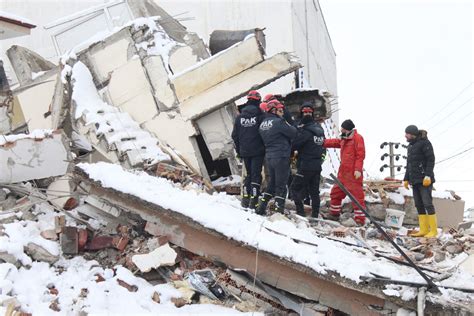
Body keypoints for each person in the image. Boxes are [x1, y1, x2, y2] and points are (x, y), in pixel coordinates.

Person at [257, 100, 297, 215]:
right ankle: (278, 211)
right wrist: (289, 122)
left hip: (270, 157)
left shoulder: (263, 124)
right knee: (281, 185)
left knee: (272, 184)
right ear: (273, 110)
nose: (282, 112)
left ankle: (261, 207)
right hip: (281, 156)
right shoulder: (279, 122)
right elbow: (293, 132)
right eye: (280, 110)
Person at [324, 119, 366, 225]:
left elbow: (360, 155)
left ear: (346, 128)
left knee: (357, 196)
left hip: (353, 174)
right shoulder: (344, 138)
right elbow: (335, 142)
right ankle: (334, 214)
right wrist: (323, 142)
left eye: (342, 128)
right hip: (342, 173)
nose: (340, 129)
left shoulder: (357, 138)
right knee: (336, 193)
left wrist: (358, 170)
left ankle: (360, 220)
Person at [290, 102, 325, 217]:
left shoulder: (305, 131)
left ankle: (300, 212)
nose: (306, 114)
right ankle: (315, 215)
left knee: (294, 189)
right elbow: (323, 146)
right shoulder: (320, 130)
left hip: (305, 165)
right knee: (314, 192)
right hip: (317, 165)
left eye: (307, 112)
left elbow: (295, 145)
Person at [231, 90, 265, 209]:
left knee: (249, 175)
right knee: (256, 175)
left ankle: (245, 199)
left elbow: (234, 135)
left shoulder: (240, 117)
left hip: (245, 151)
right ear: (258, 101)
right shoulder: (260, 116)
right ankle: (253, 202)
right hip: (258, 151)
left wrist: (240, 150)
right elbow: (264, 132)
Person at [403, 125, 438, 237]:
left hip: (424, 180)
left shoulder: (425, 143)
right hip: (415, 180)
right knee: (418, 204)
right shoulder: (410, 147)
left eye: (407, 133)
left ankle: (433, 230)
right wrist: (406, 179)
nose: (405, 136)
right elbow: (409, 165)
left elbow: (431, 160)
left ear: (412, 133)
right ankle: (423, 229)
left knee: (427, 203)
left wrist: (428, 175)